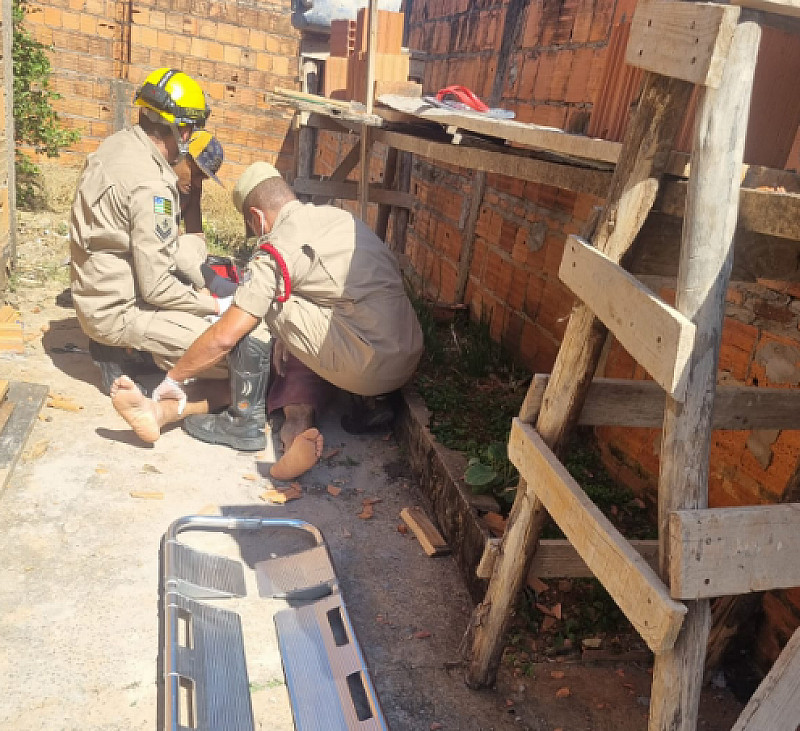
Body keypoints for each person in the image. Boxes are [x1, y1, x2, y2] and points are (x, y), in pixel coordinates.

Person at [111, 161, 424, 479]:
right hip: (406, 352)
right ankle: (290, 429)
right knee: (281, 334)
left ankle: (241, 422)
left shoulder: (278, 247)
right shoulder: (339, 218)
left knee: (257, 307)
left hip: (365, 362)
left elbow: (225, 336)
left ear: (257, 218)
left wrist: (174, 379)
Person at [70, 68, 260, 415]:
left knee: (192, 251)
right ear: (182, 128)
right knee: (241, 352)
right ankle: (126, 352)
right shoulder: (153, 186)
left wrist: (213, 284)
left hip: (95, 288)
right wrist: (219, 307)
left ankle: (137, 351)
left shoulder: (119, 145)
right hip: (118, 312)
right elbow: (156, 288)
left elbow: (170, 245)